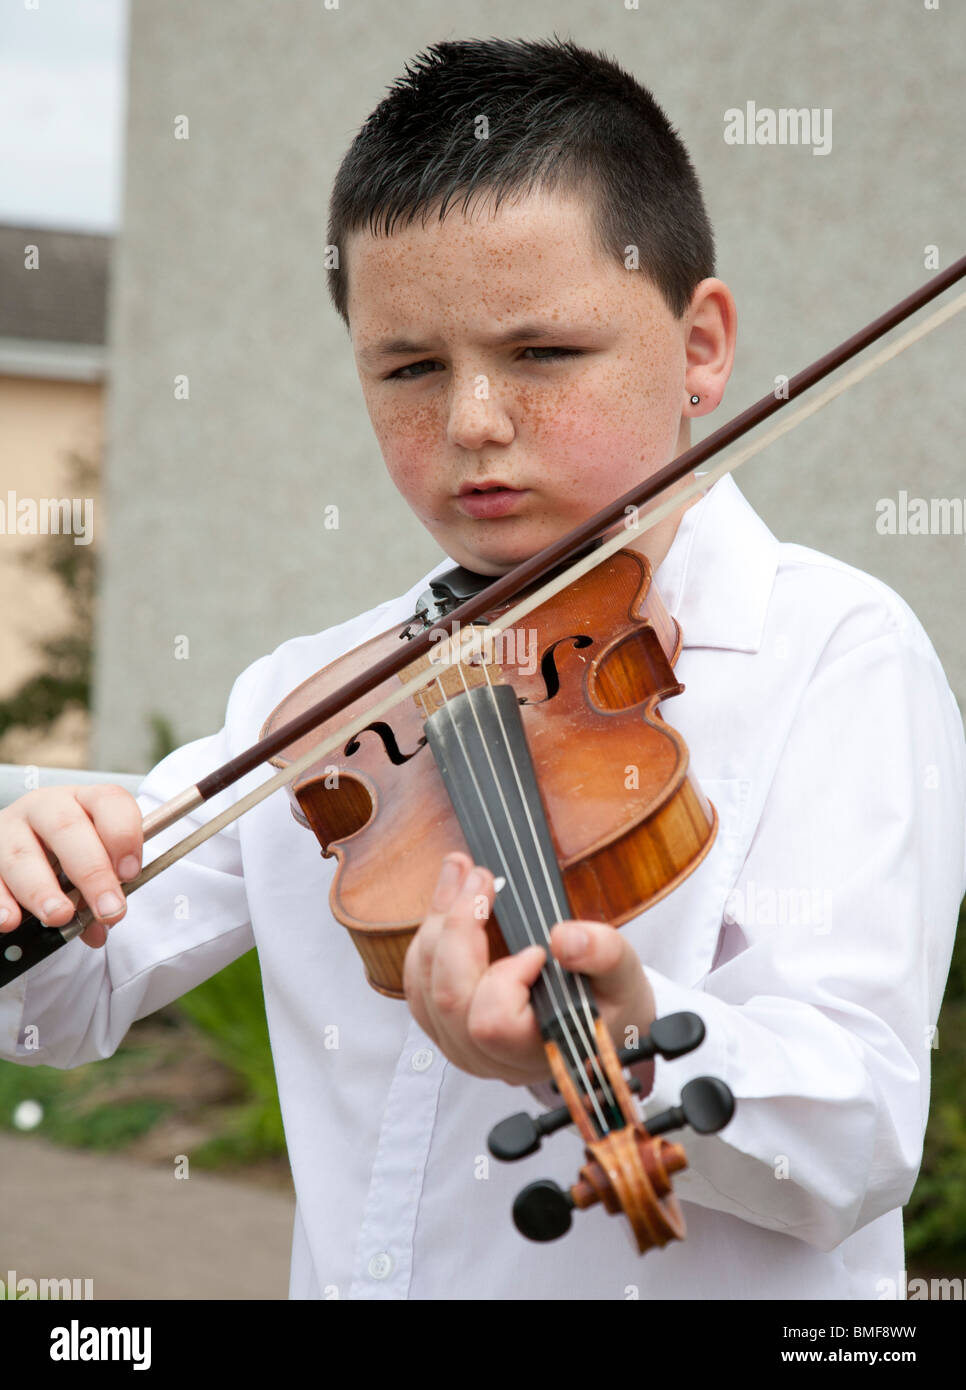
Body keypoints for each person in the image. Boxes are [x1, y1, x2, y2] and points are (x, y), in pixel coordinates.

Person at [1, 36, 964, 1301]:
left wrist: (624, 1042)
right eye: (408, 369)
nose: (471, 425)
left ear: (703, 347)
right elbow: (71, 1004)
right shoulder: (319, 710)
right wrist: (39, 869)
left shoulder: (829, 651)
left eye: (544, 354)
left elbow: (863, 1130)